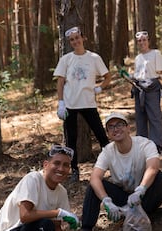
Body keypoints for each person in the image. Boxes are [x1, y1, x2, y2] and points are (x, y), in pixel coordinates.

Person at [75, 112, 162, 231]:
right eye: (111, 127)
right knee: (94, 186)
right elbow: (94, 177)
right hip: (125, 197)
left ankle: (135, 218)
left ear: (128, 128)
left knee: (158, 176)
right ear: (108, 133)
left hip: (146, 196)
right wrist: (106, 200)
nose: (116, 129)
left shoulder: (144, 144)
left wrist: (141, 190)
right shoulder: (107, 151)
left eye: (120, 125)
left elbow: (153, 167)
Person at [0, 145, 84, 231]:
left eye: (66, 165)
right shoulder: (33, 179)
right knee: (45, 225)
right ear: (46, 164)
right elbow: (25, 216)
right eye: (56, 163)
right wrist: (58, 213)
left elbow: (56, 228)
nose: (61, 169)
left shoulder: (61, 192)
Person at [53, 26, 111, 183]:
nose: (75, 41)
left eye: (77, 38)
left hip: (88, 103)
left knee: (101, 135)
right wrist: (61, 103)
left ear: (83, 38)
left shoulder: (93, 58)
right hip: (71, 104)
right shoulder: (66, 59)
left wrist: (100, 87)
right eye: (72, 40)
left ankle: (113, 165)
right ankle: (74, 170)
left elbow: (107, 76)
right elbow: (60, 81)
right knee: (71, 140)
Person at [120, 31, 162, 153]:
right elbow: (138, 74)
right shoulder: (138, 58)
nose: (142, 43)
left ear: (148, 41)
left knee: (154, 116)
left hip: (152, 87)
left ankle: (156, 144)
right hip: (139, 88)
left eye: (144, 40)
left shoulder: (156, 53)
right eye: (139, 41)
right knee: (140, 117)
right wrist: (129, 76)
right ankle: (142, 144)